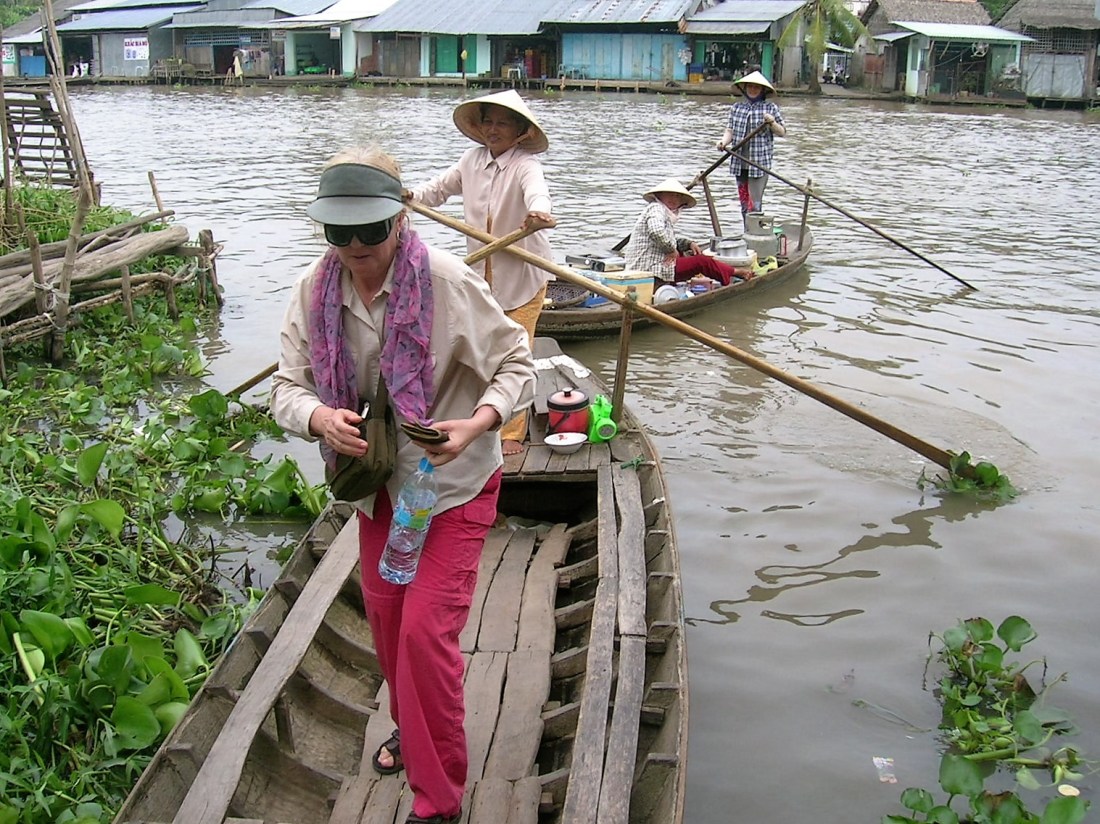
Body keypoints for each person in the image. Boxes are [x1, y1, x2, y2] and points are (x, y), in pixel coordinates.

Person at [270, 146, 535, 824]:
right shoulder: (313, 289)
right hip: (375, 491)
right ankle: (407, 727)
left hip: (449, 489)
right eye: (339, 232)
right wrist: (319, 417)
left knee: (423, 635)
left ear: (401, 218)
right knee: (387, 626)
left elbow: (519, 364)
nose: (355, 246)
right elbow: (284, 387)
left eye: (371, 230)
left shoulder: (445, 281)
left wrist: (475, 425)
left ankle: (438, 798)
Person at [409, 89, 554, 457]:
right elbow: (437, 190)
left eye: (503, 123)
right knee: (479, 347)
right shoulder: (470, 161)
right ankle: (475, 418)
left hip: (523, 274)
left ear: (520, 131)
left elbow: (537, 194)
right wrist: (407, 197)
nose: (493, 129)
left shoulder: (525, 165)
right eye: (488, 121)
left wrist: (537, 214)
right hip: (480, 274)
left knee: (517, 351)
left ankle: (511, 433)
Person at [622, 178, 750, 287]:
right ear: (660, 195)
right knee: (702, 261)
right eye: (669, 194)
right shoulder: (656, 208)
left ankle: (726, 272)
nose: (674, 198)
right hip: (648, 268)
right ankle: (735, 272)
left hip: (654, 264)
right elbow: (656, 232)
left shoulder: (663, 212)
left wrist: (688, 244)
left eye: (677, 196)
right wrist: (671, 250)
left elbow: (666, 238)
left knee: (687, 254)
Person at [715, 70, 786, 228]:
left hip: (759, 164)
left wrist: (772, 123)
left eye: (756, 87)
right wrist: (723, 142)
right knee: (744, 204)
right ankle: (748, 232)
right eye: (750, 87)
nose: (753, 90)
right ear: (745, 89)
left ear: (762, 90)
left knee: (755, 204)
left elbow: (782, 132)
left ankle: (755, 234)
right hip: (740, 163)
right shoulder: (737, 108)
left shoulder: (770, 108)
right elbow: (730, 131)